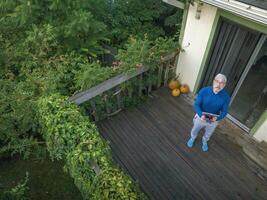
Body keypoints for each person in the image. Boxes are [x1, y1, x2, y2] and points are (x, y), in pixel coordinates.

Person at [186, 73, 230, 152]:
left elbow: (225, 111)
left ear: (224, 85)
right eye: (217, 81)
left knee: (209, 132)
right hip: (201, 116)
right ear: (213, 81)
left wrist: (218, 118)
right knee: (195, 129)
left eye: (222, 83)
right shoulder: (204, 91)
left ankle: (205, 140)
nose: (218, 85)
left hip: (214, 119)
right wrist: (200, 114)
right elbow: (197, 104)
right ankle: (193, 137)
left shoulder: (226, 97)